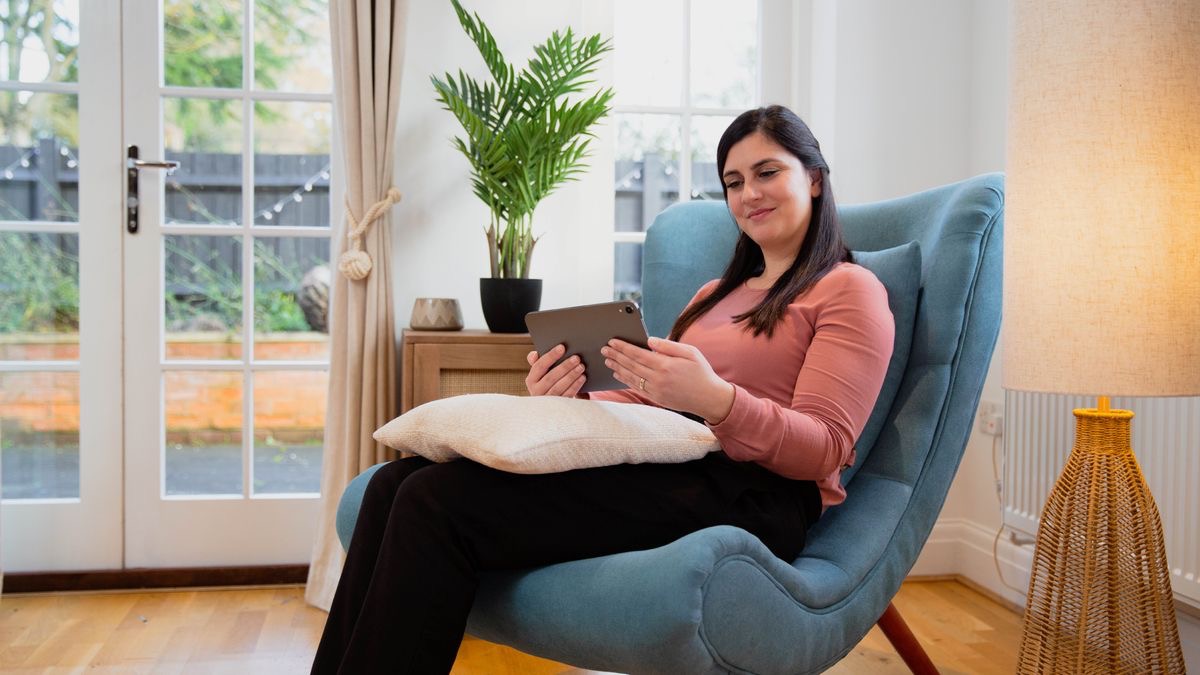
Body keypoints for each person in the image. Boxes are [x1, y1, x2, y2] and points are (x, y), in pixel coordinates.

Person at [310, 105, 894, 675]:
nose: (749, 194)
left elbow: (825, 448)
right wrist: (574, 397)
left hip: (759, 494)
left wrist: (716, 400)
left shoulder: (849, 289)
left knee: (433, 502)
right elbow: (650, 401)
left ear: (814, 179)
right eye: (733, 182)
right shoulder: (714, 294)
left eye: (768, 172)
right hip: (673, 463)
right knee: (395, 482)